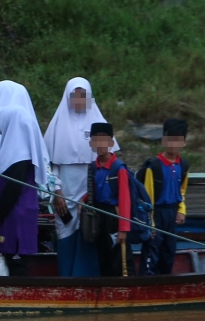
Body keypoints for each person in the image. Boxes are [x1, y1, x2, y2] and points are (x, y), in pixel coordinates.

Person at [43, 78, 112, 276]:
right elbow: (50, 164)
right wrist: (57, 191)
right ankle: (67, 278)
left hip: (90, 194)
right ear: (68, 98)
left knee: (90, 232)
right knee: (64, 232)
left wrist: (90, 196)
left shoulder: (98, 125)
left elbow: (106, 162)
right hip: (64, 194)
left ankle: (88, 280)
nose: (79, 100)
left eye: (84, 96)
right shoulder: (57, 126)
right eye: (75, 96)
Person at [0, 104, 46, 276]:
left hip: (15, 214)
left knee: (16, 261)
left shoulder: (20, 154)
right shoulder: (14, 151)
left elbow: (13, 188)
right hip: (13, 213)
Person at [138, 118, 190, 275]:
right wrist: (150, 223)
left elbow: (182, 191)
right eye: (170, 140)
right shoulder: (153, 166)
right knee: (152, 252)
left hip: (171, 214)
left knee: (169, 252)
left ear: (184, 143)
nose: (173, 144)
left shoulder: (184, 165)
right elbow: (147, 197)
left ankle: (164, 282)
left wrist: (181, 209)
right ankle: (146, 284)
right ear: (163, 140)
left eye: (178, 140)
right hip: (156, 213)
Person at [88, 122, 134, 276]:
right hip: (99, 216)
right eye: (96, 140)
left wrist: (123, 228)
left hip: (114, 217)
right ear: (91, 143)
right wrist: (84, 200)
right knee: (103, 255)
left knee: (119, 259)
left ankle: (124, 289)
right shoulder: (94, 167)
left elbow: (125, 200)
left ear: (111, 143)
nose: (100, 144)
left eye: (104, 140)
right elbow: (93, 189)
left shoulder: (118, 168)